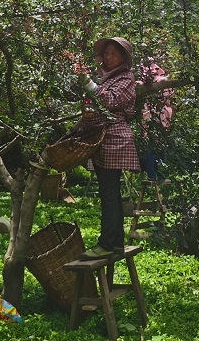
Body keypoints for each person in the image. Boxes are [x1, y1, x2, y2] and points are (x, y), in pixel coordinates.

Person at [76, 36, 140, 260]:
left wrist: (90, 85)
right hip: (104, 139)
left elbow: (110, 101)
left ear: (123, 57)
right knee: (108, 193)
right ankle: (114, 243)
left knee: (109, 193)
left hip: (114, 139)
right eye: (106, 53)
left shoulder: (125, 78)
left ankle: (108, 243)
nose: (109, 56)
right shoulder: (104, 78)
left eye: (114, 53)